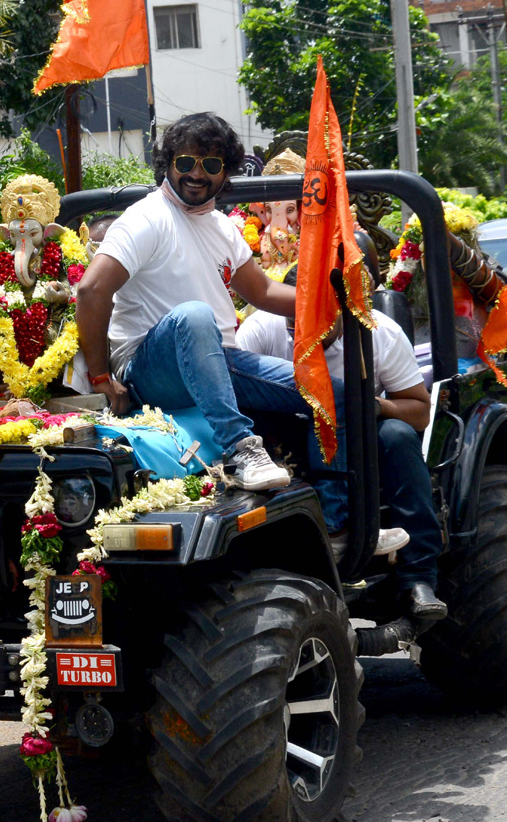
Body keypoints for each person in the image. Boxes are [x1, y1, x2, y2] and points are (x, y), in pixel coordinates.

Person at [76, 112, 407, 555]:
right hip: (150, 366)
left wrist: (335, 301)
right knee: (194, 316)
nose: (197, 174)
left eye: (212, 165)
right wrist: (101, 377)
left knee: (332, 394)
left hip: (216, 361)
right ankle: (240, 449)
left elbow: (264, 291)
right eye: (187, 162)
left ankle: (337, 530)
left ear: (226, 173)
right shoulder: (147, 219)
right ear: (169, 162)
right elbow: (90, 289)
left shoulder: (221, 228)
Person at [236, 264, 448, 621]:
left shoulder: (381, 334)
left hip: (361, 439)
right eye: (295, 325)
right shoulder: (260, 329)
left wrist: (373, 406)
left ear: (342, 312)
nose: (303, 336)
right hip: (284, 439)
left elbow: (418, 412)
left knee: (397, 436)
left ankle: (418, 577)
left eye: (315, 326)